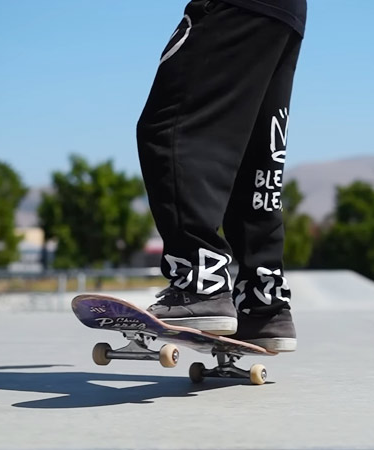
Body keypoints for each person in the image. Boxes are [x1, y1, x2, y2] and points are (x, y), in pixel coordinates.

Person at [136, 0, 306, 353]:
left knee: (169, 127)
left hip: (235, 5)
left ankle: (199, 281)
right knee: (253, 150)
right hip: (286, 12)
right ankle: (263, 302)